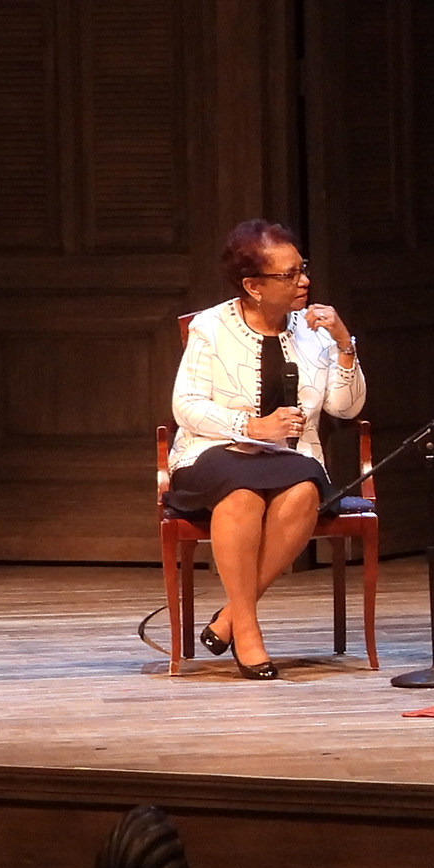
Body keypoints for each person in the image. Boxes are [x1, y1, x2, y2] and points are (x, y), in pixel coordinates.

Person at [166, 220, 366, 679]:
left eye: (302, 269)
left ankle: (231, 616)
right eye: (290, 274)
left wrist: (343, 344)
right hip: (213, 452)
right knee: (240, 495)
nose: (304, 281)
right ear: (253, 286)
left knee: (303, 493)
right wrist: (251, 426)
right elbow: (186, 405)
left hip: (292, 461)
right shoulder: (211, 327)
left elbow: (346, 406)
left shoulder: (313, 329)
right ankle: (249, 630)